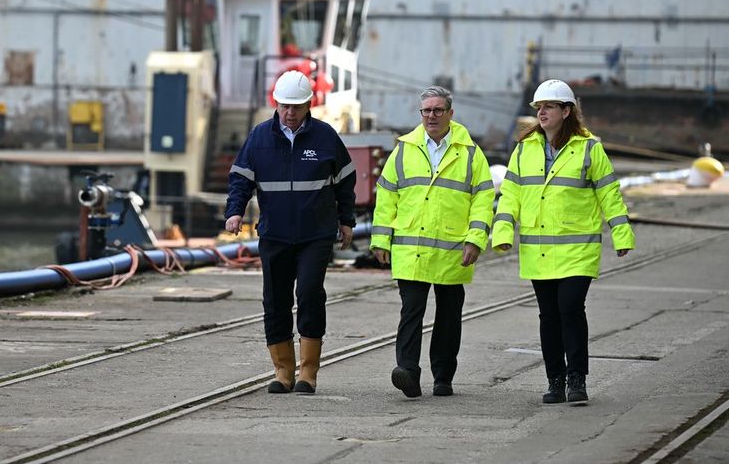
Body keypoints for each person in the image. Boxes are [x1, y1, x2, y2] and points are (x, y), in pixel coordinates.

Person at [492, 79, 635, 404]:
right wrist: (501, 232)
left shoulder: (588, 148)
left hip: (577, 249)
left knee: (570, 308)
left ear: (566, 111)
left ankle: (576, 378)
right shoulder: (524, 149)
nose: (541, 112)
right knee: (548, 315)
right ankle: (554, 380)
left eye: (549, 106)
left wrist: (621, 232)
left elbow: (609, 193)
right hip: (538, 250)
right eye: (539, 107)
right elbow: (510, 193)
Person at [225, 70, 356, 395]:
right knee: (276, 300)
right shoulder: (259, 137)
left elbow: (346, 182)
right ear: (276, 104)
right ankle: (283, 371)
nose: (290, 113)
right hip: (275, 235)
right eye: (285, 106)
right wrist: (234, 212)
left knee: (310, 294)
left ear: (308, 105)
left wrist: (346, 220)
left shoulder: (326, 137)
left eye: (296, 107)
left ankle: (308, 373)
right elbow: (241, 179)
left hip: (316, 234)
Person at [370, 86, 494, 398]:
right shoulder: (404, 149)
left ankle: (443, 376)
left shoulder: (469, 154)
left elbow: (483, 200)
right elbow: (386, 198)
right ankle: (408, 371)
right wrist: (381, 240)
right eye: (426, 110)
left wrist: (476, 239)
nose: (432, 116)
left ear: (451, 114)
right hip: (412, 249)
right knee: (411, 310)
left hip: (453, 249)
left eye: (438, 110)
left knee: (449, 315)